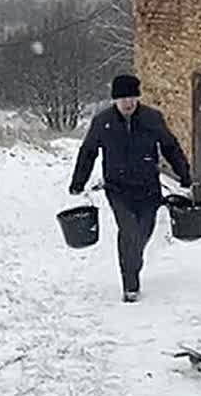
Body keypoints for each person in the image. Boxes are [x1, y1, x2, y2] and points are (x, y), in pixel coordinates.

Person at [69, 74, 191, 303]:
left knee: (143, 232)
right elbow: (88, 152)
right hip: (118, 188)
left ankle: (134, 260)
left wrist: (184, 174)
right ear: (115, 100)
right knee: (128, 230)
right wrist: (78, 182)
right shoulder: (103, 122)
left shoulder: (152, 119)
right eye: (124, 99)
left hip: (148, 188)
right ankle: (130, 285)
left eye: (133, 98)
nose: (129, 103)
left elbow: (170, 146)